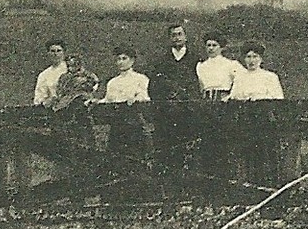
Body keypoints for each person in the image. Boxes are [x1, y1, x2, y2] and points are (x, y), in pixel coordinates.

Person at [146, 23, 205, 190]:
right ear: (169, 39)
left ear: (185, 37)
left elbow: (200, 85)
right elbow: (154, 87)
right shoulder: (161, 61)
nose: (177, 37)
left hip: (189, 114)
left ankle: (191, 189)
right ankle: (170, 189)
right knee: (168, 152)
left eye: (180, 34)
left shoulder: (196, 59)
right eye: (174, 35)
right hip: (167, 115)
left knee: (191, 150)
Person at [227, 41, 287, 185]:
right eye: (248, 57)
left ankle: (269, 183)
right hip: (246, 119)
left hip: (265, 119)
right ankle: (250, 183)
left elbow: (278, 98)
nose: (251, 60)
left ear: (261, 59)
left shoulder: (270, 77)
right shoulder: (240, 77)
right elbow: (234, 95)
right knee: (247, 152)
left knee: (266, 151)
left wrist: (261, 100)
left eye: (255, 56)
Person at [99, 48, 152, 165]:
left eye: (124, 58)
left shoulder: (141, 79)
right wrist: (96, 102)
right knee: (116, 157)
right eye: (118, 59)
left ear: (132, 60)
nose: (121, 62)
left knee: (135, 157)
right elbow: (108, 100)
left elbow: (145, 97)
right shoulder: (112, 82)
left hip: (134, 123)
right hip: (117, 124)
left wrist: (135, 99)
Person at [195, 34, 244, 100]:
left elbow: (241, 80)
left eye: (214, 45)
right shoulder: (201, 66)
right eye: (208, 45)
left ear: (221, 48)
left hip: (223, 101)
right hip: (206, 102)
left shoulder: (230, 64)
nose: (211, 48)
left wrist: (231, 95)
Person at [32, 39, 69, 105]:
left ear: (64, 53)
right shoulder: (44, 75)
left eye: (59, 51)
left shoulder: (71, 69)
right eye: (52, 51)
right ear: (48, 53)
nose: (56, 54)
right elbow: (39, 98)